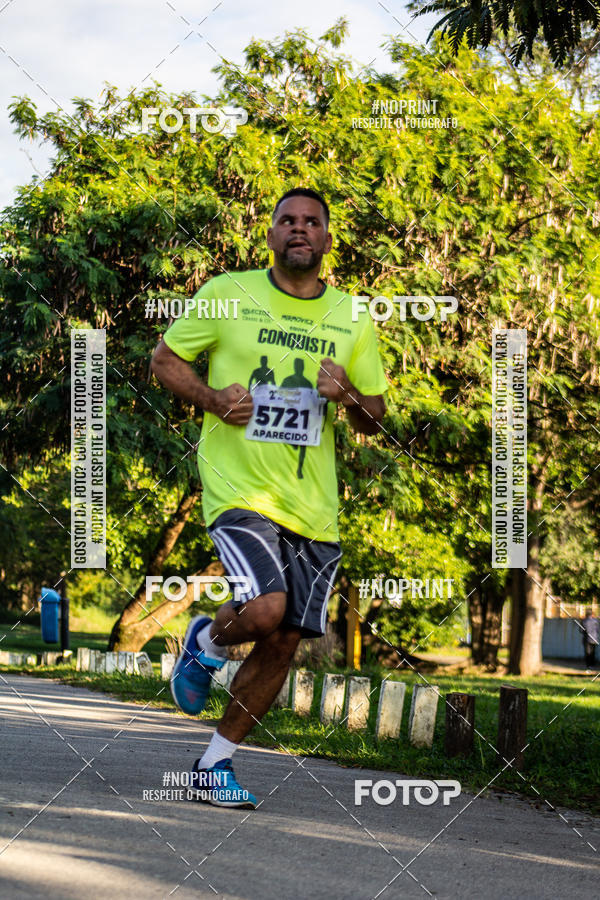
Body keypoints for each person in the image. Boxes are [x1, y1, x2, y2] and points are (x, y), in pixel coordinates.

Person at [151, 187, 387, 808]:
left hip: (314, 508)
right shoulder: (228, 293)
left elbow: (378, 419)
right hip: (239, 490)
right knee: (262, 609)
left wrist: (350, 398)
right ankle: (204, 643)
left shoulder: (353, 317)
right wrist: (212, 400)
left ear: (329, 238)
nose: (300, 229)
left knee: (283, 640)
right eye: (288, 220)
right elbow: (165, 360)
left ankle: (214, 764)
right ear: (272, 235)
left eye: (312, 221)